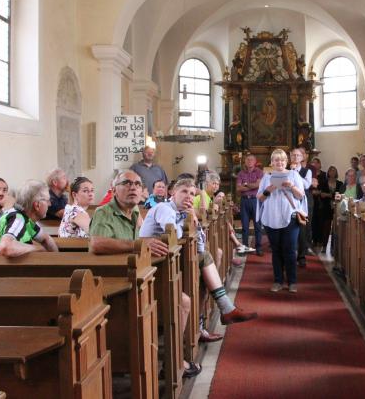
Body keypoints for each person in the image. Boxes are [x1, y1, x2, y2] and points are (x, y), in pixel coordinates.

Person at [89, 170, 202, 378]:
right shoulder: (103, 212)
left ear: (142, 191)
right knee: (183, 302)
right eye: (126, 183)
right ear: (114, 189)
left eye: (137, 184)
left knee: (183, 300)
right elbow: (96, 244)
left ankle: (172, 358)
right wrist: (139, 245)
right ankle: (171, 361)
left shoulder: (133, 213)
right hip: (112, 285)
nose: (133, 188)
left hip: (134, 276)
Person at [140, 177, 258, 326]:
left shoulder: (182, 212)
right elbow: (173, 236)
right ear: (173, 193)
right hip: (152, 263)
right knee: (203, 258)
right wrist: (187, 217)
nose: (188, 196)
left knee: (203, 271)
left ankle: (206, 322)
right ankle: (225, 309)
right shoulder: (165, 208)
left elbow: (199, 243)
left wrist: (192, 216)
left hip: (168, 257)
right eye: (184, 192)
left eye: (191, 193)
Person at [258, 149, 306, 293]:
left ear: (286, 162)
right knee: (276, 250)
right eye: (276, 160)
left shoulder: (293, 174)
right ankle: (278, 281)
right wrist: (269, 190)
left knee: (290, 250)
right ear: (271, 162)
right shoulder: (266, 177)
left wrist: (291, 186)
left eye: (282, 160)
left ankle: (292, 281)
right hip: (271, 217)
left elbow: (301, 196)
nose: (279, 162)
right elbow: (260, 198)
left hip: (290, 217)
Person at [0, 179, 59, 257]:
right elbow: (5, 247)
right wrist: (38, 249)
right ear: (37, 205)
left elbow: (46, 239)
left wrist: (57, 259)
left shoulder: (26, 219)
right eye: (47, 200)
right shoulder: (17, 219)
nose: (50, 204)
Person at [236, 153, 264, 255]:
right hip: (244, 201)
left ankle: (259, 247)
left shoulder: (260, 172)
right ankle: (245, 247)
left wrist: (246, 185)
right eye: (247, 159)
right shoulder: (240, 173)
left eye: (251, 160)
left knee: (257, 225)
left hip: (255, 200)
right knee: (245, 226)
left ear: (255, 161)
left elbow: (258, 185)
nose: (249, 161)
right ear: (245, 161)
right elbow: (238, 188)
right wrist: (252, 186)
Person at [290, 148, 313, 267]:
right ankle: (290, 255)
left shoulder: (307, 171)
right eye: (293, 155)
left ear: (302, 157)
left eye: (298, 155)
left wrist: (295, 173)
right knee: (289, 229)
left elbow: (306, 185)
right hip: (289, 203)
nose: (295, 157)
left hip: (303, 202)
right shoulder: (286, 170)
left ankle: (302, 256)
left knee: (302, 229)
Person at [317, 165, 345, 253]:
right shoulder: (324, 182)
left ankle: (334, 248)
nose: (332, 172)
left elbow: (340, 196)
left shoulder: (340, 183)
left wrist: (328, 195)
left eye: (334, 171)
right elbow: (321, 195)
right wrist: (329, 196)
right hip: (326, 207)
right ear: (328, 172)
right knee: (326, 227)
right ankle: (324, 246)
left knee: (336, 228)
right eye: (330, 171)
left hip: (337, 207)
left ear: (336, 173)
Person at [309, 157, 327, 249]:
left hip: (322, 200)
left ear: (320, 164)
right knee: (312, 221)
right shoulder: (309, 173)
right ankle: (313, 240)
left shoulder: (324, 174)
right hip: (311, 199)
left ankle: (320, 240)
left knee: (320, 221)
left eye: (316, 162)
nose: (314, 164)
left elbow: (326, 186)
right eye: (313, 162)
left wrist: (319, 192)